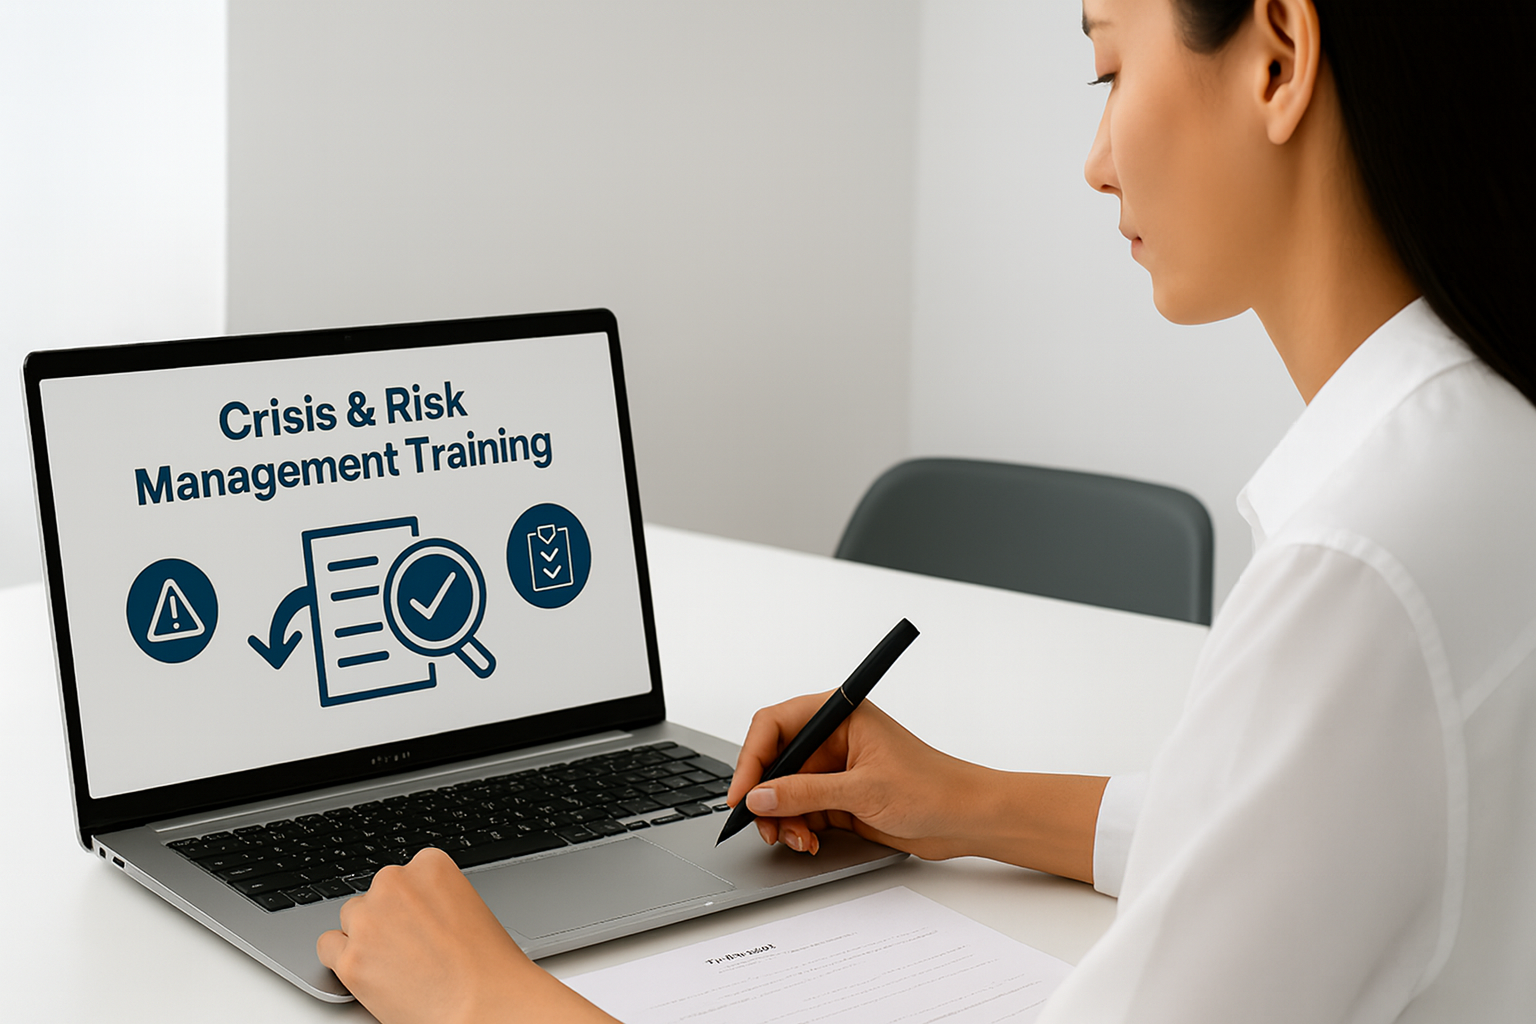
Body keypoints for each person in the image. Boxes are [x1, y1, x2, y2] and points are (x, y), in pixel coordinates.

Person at [316, 0, 1536, 1020]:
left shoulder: (1361, 566)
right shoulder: (1481, 450)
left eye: (1111, 66)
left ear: (1277, 55)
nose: (1096, 156)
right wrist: (969, 802)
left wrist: (485, 998)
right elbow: (1301, 840)